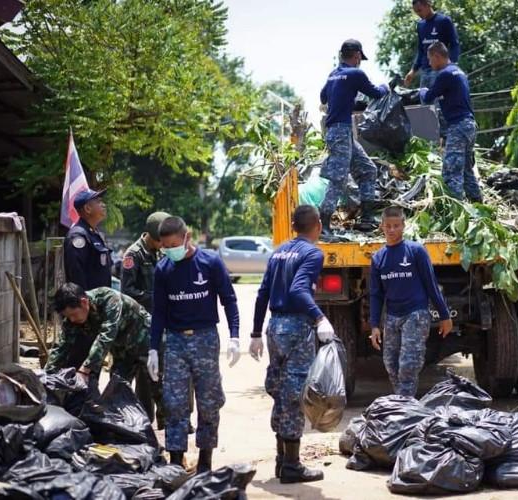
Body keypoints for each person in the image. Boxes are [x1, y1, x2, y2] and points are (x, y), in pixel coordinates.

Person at [146, 216, 241, 474]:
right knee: (174, 403)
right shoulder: (163, 269)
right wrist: (153, 348)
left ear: (187, 237)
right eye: (165, 246)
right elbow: (159, 312)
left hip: (205, 338)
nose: (169, 250)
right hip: (175, 341)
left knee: (209, 402)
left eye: (174, 245)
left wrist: (234, 336)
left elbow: (229, 300)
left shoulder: (210, 263)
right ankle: (176, 462)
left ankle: (205, 462)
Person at [250, 205, 332, 483]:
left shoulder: (279, 252)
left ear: (294, 226)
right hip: (297, 327)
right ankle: (292, 466)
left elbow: (263, 293)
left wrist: (256, 332)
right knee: (295, 395)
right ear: (318, 225)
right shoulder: (313, 253)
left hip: (275, 327)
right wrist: (320, 318)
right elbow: (298, 289)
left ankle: (281, 459)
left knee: (279, 390)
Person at [369, 206, 453, 397]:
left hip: (415, 314)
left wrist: (444, 315)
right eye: (388, 226)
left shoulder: (416, 251)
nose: (392, 230)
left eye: (396, 226)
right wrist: (374, 325)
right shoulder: (378, 258)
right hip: (392, 317)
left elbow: (431, 284)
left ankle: (405, 405)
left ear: (403, 225)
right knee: (390, 364)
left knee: (408, 365)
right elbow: (375, 294)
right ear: (382, 226)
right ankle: (403, 401)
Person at [319, 39, 389, 240]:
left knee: (368, 170)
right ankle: (323, 224)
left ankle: (366, 219)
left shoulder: (333, 74)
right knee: (339, 179)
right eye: (360, 58)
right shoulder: (355, 74)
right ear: (357, 56)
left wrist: (346, 99)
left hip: (340, 132)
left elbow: (323, 98)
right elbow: (376, 93)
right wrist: (386, 87)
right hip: (340, 131)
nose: (360, 61)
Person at [45, 283, 150, 393]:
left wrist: (84, 370)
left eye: (73, 314)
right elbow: (61, 346)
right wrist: (47, 375)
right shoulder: (74, 316)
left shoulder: (109, 299)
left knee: (150, 391)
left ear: (84, 302)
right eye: (68, 316)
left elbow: (105, 337)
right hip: (121, 351)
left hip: (146, 345)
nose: (72, 319)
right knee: (116, 391)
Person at [121, 211, 173, 429]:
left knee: (163, 370)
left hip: (160, 321)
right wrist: (155, 297)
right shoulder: (134, 255)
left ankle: (165, 418)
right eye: (162, 239)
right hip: (140, 325)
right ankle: (145, 420)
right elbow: (127, 291)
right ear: (152, 236)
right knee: (145, 373)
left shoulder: (159, 253)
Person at [420, 42, 482, 202]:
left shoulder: (445, 74)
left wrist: (422, 91)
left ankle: (456, 207)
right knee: (466, 170)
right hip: (469, 125)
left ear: (437, 56)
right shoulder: (458, 72)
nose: (429, 63)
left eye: (430, 59)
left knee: (451, 171)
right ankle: (477, 203)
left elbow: (428, 98)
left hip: (458, 126)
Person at [404, 0, 460, 89]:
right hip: (425, 71)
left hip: (440, 70)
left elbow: (454, 44)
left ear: (428, 4)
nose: (418, 14)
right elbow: (421, 50)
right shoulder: (420, 25)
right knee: (424, 97)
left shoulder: (444, 20)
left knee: (438, 97)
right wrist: (413, 71)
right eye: (416, 12)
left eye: (419, 10)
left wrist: (451, 66)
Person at [64, 188, 112, 291]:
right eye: (98, 202)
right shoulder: (78, 236)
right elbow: (76, 274)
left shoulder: (95, 233)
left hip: (100, 297)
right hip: (88, 298)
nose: (103, 205)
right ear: (87, 209)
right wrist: (84, 298)